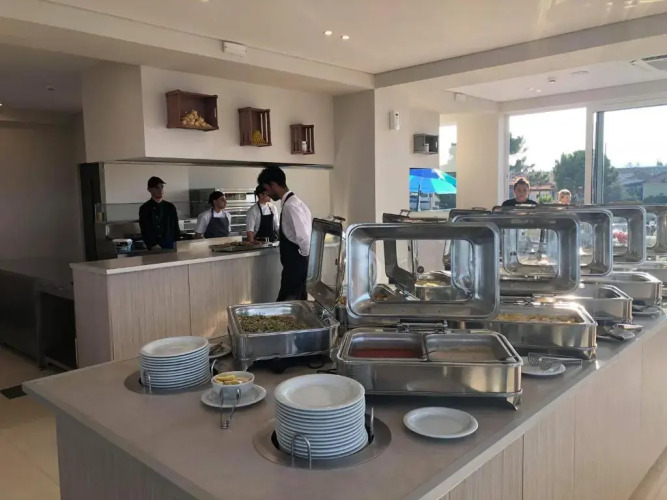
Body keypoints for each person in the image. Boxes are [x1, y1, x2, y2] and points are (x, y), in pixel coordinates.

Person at [257, 166, 312, 301]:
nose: (267, 194)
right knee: (298, 305)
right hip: (295, 268)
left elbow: (305, 238)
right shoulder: (297, 203)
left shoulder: (290, 206)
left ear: (273, 185)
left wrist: (302, 261)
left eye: (267, 189)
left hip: (295, 269)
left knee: (287, 306)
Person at [139, 176, 180, 250]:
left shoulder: (170, 207)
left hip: (170, 243)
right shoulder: (145, 208)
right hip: (154, 245)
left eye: (162, 187)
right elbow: (145, 229)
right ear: (149, 190)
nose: (160, 190)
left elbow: (175, 227)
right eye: (156, 188)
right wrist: (153, 244)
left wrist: (177, 242)